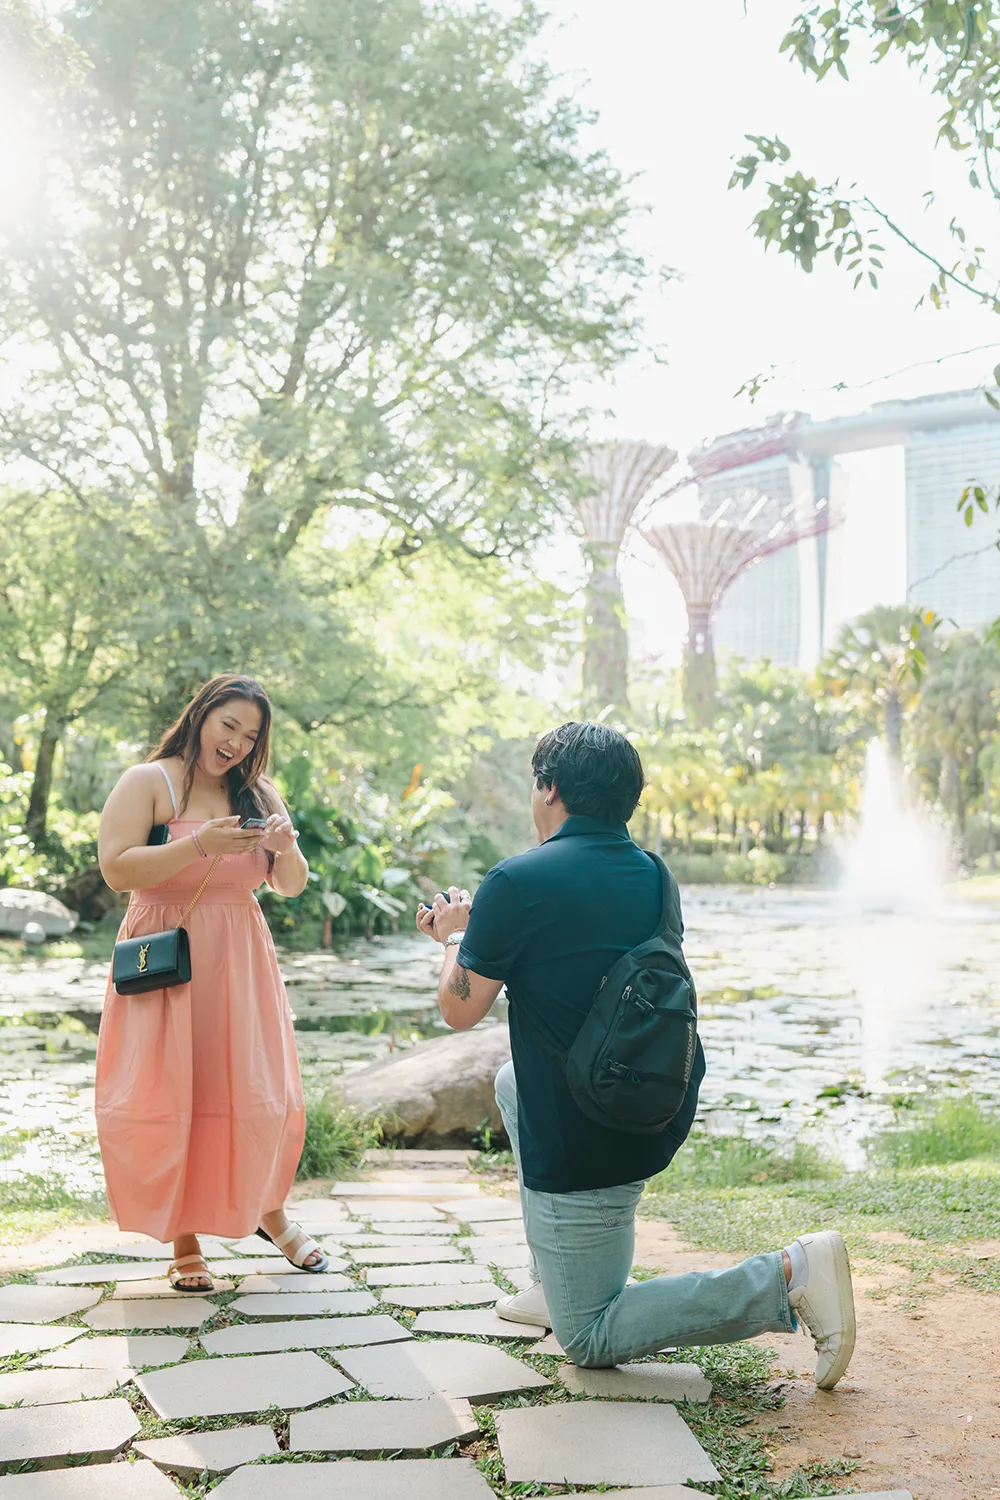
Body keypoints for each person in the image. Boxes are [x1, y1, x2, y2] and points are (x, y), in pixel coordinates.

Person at [417, 721, 856, 1389]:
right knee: (512, 1082)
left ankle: (791, 1274)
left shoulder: (516, 880)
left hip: (583, 1134)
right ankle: (552, 1277)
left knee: (589, 1336)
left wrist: (455, 936)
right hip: (656, 1098)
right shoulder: (656, 873)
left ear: (550, 788)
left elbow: (458, 1010)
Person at [96, 674, 326, 1291]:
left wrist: (286, 848)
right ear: (201, 714)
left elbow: (289, 883)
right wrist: (199, 843)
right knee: (174, 1089)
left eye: (250, 737)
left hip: (240, 958)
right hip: (165, 956)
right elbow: (117, 869)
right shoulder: (149, 782)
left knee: (253, 1092)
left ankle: (269, 1212)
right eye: (229, 726)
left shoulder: (258, 793)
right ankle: (184, 1239)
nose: (236, 744)